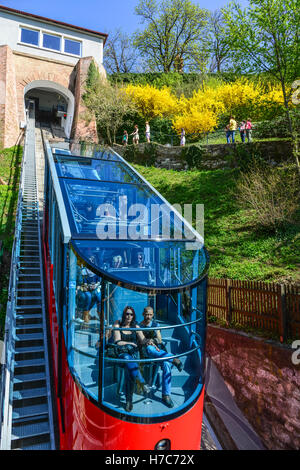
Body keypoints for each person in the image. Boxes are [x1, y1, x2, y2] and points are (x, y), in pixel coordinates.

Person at [139, 306, 183, 408]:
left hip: (159, 351)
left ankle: (166, 395)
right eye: (146, 314)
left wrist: (153, 341)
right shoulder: (139, 325)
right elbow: (142, 340)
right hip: (146, 352)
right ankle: (174, 359)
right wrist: (149, 342)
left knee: (167, 364)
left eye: (150, 314)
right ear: (143, 314)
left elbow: (159, 339)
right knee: (150, 348)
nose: (148, 316)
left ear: (153, 315)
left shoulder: (155, 325)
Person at [113, 306, 150, 412]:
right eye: (127, 314)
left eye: (131, 314)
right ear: (124, 315)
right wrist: (129, 343)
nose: (129, 316)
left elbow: (143, 340)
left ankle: (129, 401)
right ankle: (141, 383)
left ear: (133, 316)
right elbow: (117, 341)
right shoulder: (118, 324)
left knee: (130, 370)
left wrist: (150, 342)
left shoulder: (135, 326)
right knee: (127, 359)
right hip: (121, 355)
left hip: (133, 356)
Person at [76, 257, 101, 328]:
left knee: (99, 296)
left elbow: (99, 281)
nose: (91, 262)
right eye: (89, 261)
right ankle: (85, 314)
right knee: (88, 296)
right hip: (85, 288)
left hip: (95, 287)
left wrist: (95, 285)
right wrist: (88, 286)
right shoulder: (83, 270)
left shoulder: (97, 270)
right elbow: (83, 281)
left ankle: (100, 313)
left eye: (92, 261)